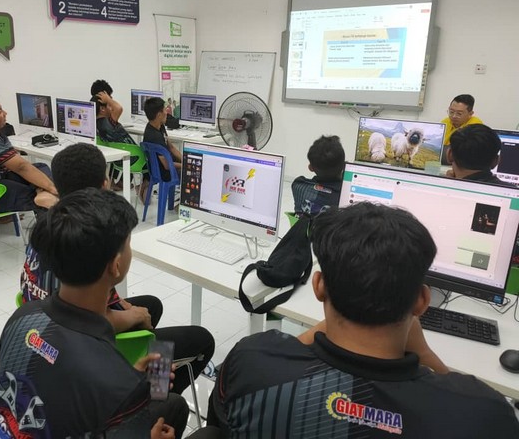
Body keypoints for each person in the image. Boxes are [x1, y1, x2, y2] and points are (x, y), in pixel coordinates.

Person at [208, 202, 519, 437]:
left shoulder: (248, 361)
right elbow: (455, 393)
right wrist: (424, 353)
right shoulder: (485, 415)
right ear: (422, 301)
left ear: (318, 287)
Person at [20, 142, 215, 395]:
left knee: (152, 305)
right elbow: (84, 321)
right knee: (201, 339)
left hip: (44, 323)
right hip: (78, 341)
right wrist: (134, 316)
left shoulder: (49, 228)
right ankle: (157, 398)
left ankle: (138, 359)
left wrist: (127, 308)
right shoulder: (92, 241)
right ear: (104, 184)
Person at [0, 189, 189, 438]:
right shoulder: (117, 383)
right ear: (116, 265)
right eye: (128, 245)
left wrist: (130, 378)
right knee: (181, 410)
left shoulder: (21, 317)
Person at [291, 135, 345, 218]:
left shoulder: (298, 186)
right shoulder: (343, 196)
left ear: (310, 168)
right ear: (344, 166)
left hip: (304, 226)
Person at [441, 94, 483, 164]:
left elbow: (460, 153)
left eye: (459, 113)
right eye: (451, 112)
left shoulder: (475, 126)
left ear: (470, 114)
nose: (454, 116)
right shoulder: (446, 121)